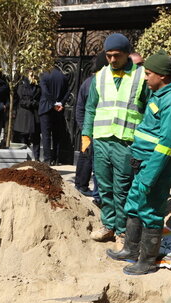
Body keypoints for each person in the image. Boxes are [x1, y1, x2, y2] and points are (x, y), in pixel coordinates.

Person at [109, 51, 171, 275]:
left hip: (156, 166)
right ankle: (131, 250)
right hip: (143, 161)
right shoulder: (160, 92)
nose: (145, 78)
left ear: (162, 75)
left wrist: (150, 175)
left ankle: (146, 261)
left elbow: (166, 144)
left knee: (151, 210)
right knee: (134, 203)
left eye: (148, 73)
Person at [82, 33, 148, 247]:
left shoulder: (140, 77)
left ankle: (122, 232)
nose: (111, 60)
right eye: (108, 55)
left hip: (126, 143)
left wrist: (144, 142)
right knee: (104, 187)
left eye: (116, 56)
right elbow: (91, 108)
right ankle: (108, 225)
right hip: (102, 141)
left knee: (123, 189)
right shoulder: (100, 77)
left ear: (127, 54)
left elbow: (147, 111)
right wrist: (86, 134)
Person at [75, 54, 108, 198]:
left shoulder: (86, 82)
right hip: (96, 129)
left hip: (89, 127)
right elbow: (85, 107)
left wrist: (83, 126)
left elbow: (79, 107)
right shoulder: (97, 84)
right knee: (91, 160)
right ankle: (86, 188)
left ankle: (81, 185)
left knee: (86, 156)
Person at [38, 66, 70, 166]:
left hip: (46, 109)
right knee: (56, 135)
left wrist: (53, 103)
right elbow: (68, 92)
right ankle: (56, 159)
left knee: (46, 135)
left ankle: (47, 159)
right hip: (58, 110)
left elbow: (45, 92)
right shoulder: (63, 77)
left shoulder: (44, 75)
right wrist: (61, 103)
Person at [13, 72, 41, 161]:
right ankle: (24, 158)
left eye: (34, 75)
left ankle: (36, 158)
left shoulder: (37, 87)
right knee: (23, 138)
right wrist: (31, 103)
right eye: (31, 75)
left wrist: (35, 103)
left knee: (36, 138)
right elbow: (21, 100)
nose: (33, 77)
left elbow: (40, 99)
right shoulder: (22, 87)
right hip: (24, 116)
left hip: (34, 116)